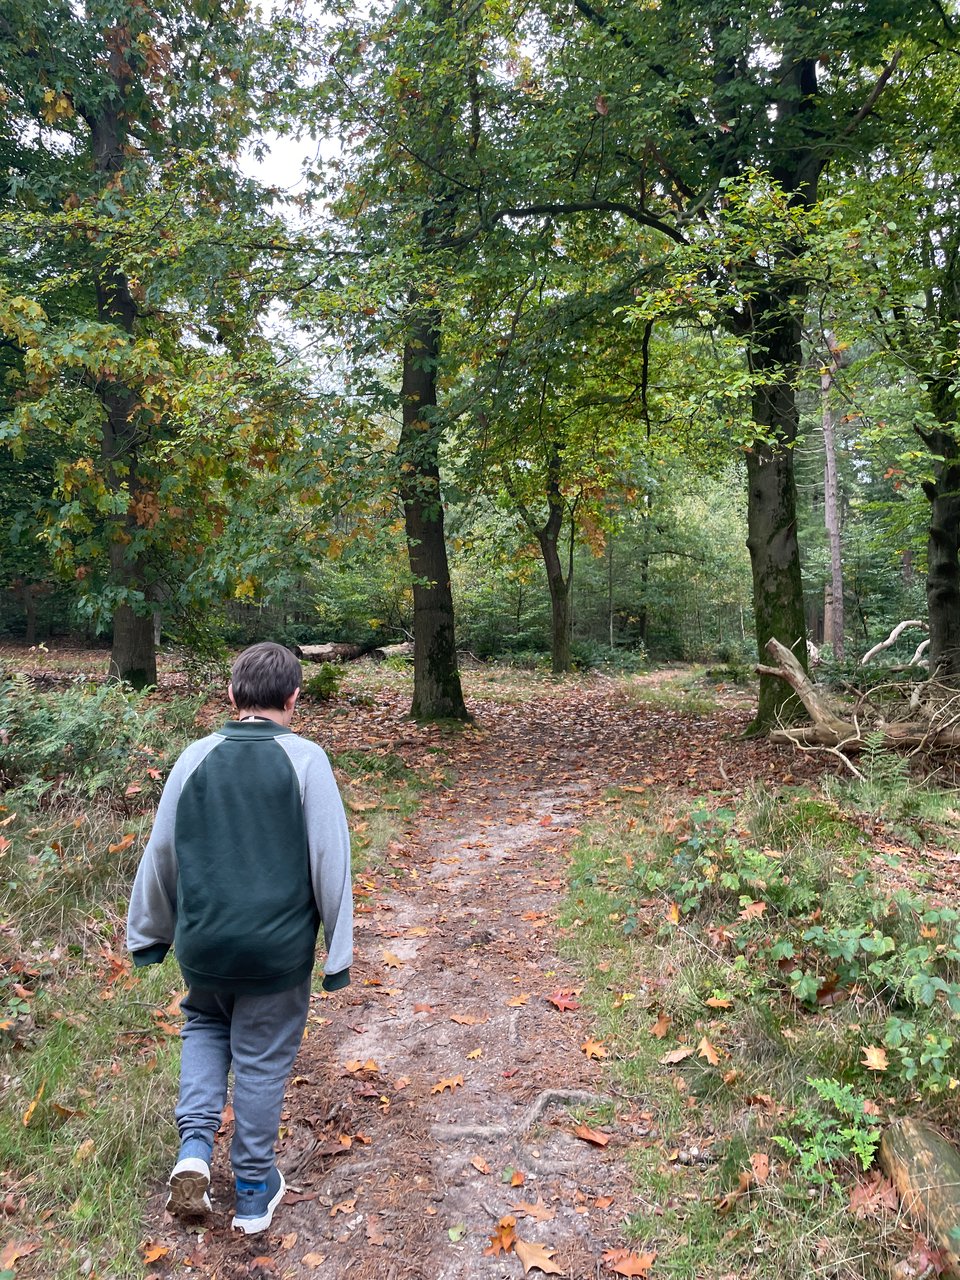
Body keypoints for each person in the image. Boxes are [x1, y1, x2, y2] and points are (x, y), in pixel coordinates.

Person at [126, 641, 352, 1235]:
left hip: (203, 947)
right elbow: (331, 861)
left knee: (203, 1024)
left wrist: (149, 933)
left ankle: (194, 1152)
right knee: (260, 1060)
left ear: (231, 696)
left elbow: (162, 854)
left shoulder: (194, 756)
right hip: (275, 954)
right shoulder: (307, 761)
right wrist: (338, 953)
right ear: (294, 698)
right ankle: (252, 1190)